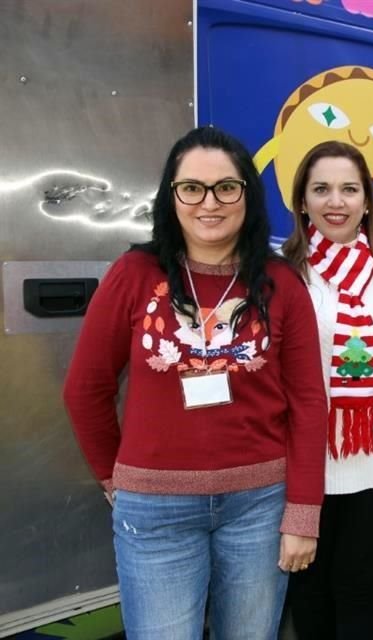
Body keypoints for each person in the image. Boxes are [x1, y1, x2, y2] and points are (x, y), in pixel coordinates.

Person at [62, 126, 327, 639]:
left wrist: (303, 515)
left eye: (227, 187)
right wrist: (115, 479)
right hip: (155, 511)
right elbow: (85, 389)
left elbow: (310, 402)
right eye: (192, 188)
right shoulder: (134, 274)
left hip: (258, 507)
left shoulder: (282, 283)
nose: (210, 202)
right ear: (172, 196)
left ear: (247, 194)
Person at [281, 140, 373, 639]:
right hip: (307, 460)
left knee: (360, 591)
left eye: (349, 189)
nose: (336, 201)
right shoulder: (284, 272)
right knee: (309, 591)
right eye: (321, 189)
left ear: (366, 201)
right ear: (303, 202)